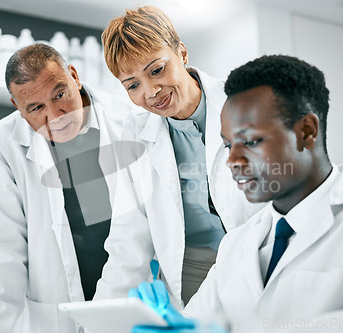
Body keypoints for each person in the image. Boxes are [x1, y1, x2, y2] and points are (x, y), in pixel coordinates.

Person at [128, 54, 343, 332]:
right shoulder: (237, 245)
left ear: (306, 131)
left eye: (251, 141)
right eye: (228, 145)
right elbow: (195, 322)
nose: (233, 160)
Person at [94, 5, 263, 308]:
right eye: (132, 85)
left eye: (156, 70)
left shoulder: (246, 107)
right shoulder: (133, 138)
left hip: (258, 262)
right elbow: (127, 242)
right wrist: (100, 317)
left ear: (182, 53)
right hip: (190, 279)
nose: (151, 91)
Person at [0, 43, 143, 333]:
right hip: (56, 315)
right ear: (18, 108)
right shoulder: (3, 143)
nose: (56, 115)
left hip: (130, 298)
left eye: (60, 94)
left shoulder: (129, 120)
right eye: (36, 108)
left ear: (74, 76)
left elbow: (141, 229)